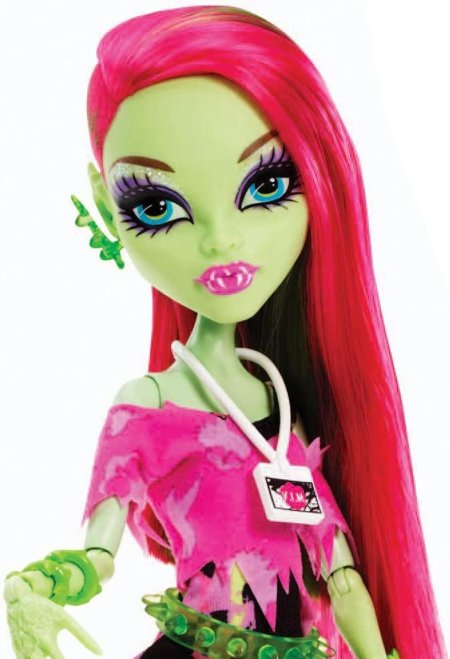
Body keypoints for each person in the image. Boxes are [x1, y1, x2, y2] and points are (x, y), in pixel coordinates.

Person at [4, 6, 446, 658]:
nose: (220, 240)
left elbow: (341, 573)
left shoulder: (282, 413)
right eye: (156, 206)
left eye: (266, 184)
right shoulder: (148, 407)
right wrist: (41, 585)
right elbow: (98, 556)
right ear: (106, 207)